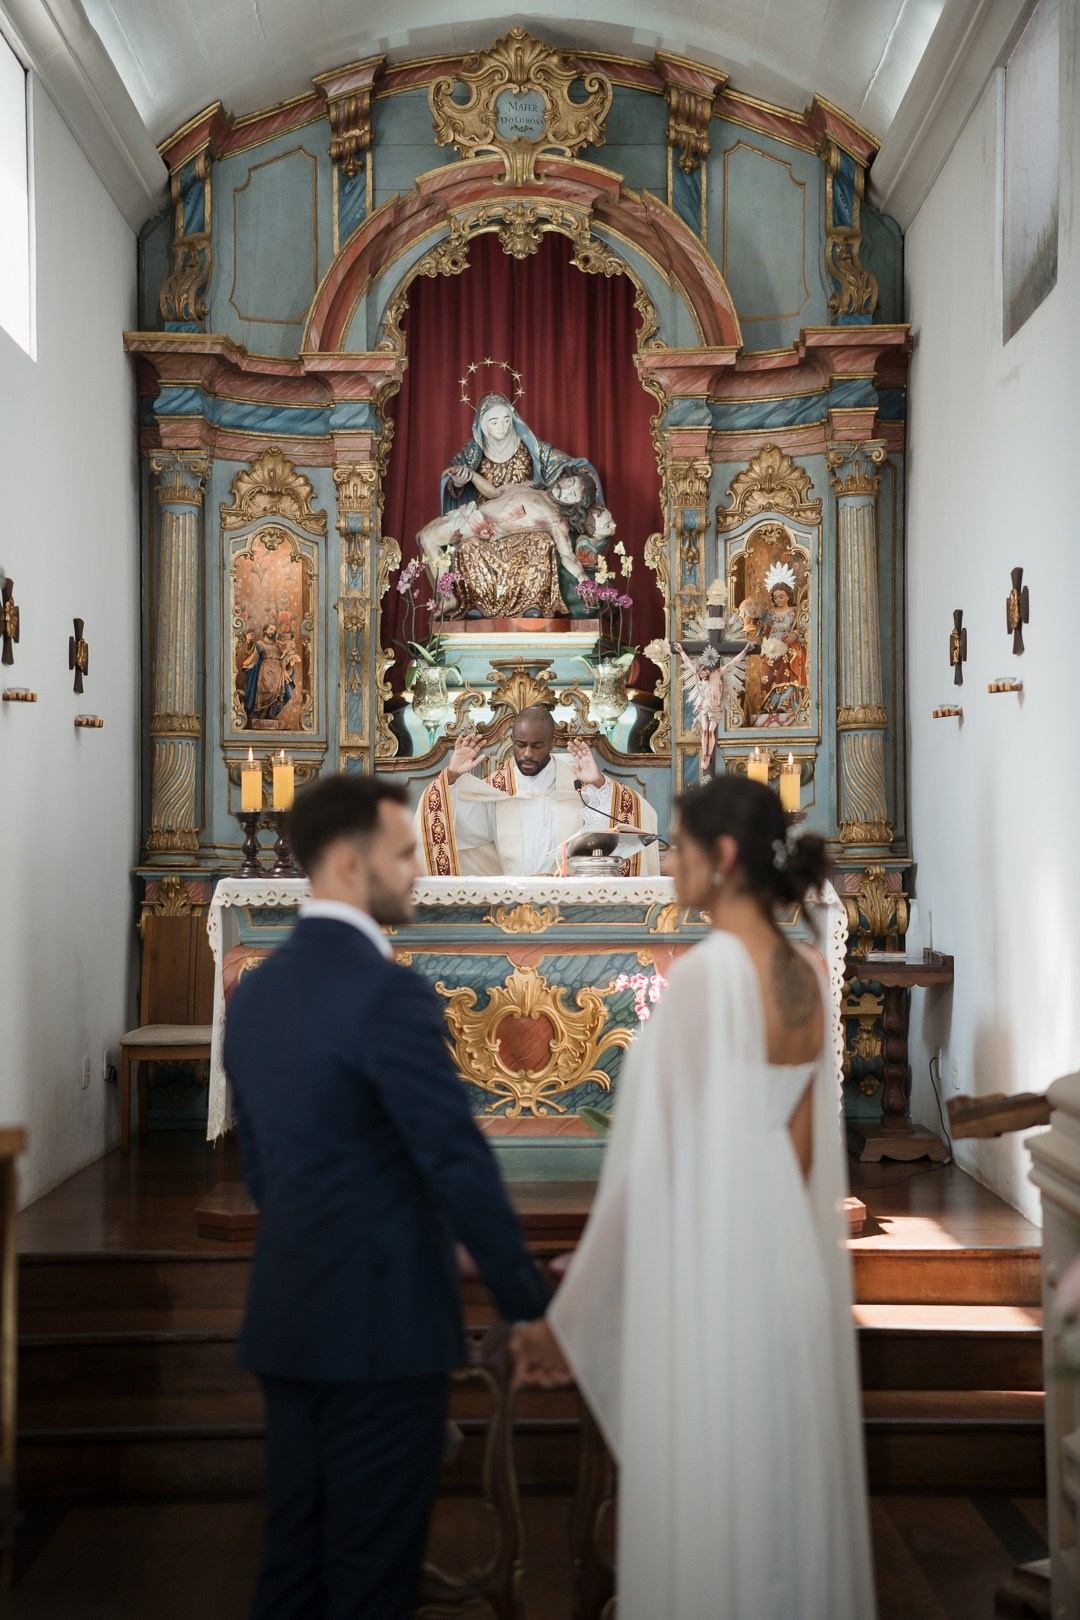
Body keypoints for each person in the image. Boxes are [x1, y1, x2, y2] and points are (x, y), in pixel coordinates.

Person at [512, 775, 876, 1620]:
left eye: (676, 846)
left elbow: (642, 1175)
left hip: (715, 1265)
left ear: (719, 858)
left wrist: (567, 1319)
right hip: (784, 1256)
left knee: (716, 1483)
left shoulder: (709, 981)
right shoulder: (806, 974)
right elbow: (803, 1146)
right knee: (776, 1486)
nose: (666, 861)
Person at [224, 773, 550, 1620]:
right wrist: (526, 1299)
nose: (418, 871)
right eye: (403, 853)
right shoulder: (387, 991)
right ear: (344, 861)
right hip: (384, 1329)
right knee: (373, 1574)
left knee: (292, 1562)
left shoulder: (255, 992)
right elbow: (455, 1159)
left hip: (290, 1314)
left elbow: (266, 1170)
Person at [414, 704, 660, 878]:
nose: (527, 754)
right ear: (511, 741)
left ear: (552, 743)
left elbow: (637, 818)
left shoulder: (578, 786)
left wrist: (599, 784)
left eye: (537, 745)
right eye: (520, 745)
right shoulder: (496, 791)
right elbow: (449, 828)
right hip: (511, 903)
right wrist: (452, 777)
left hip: (572, 903)